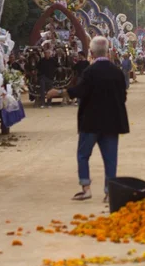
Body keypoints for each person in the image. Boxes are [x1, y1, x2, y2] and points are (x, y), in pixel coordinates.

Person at [47, 36, 129, 202]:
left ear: (91, 52)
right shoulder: (117, 72)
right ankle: (109, 191)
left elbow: (80, 90)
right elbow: (123, 96)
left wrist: (60, 92)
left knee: (83, 155)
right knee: (110, 159)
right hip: (112, 122)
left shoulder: (89, 72)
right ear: (108, 52)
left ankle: (86, 188)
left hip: (90, 121)